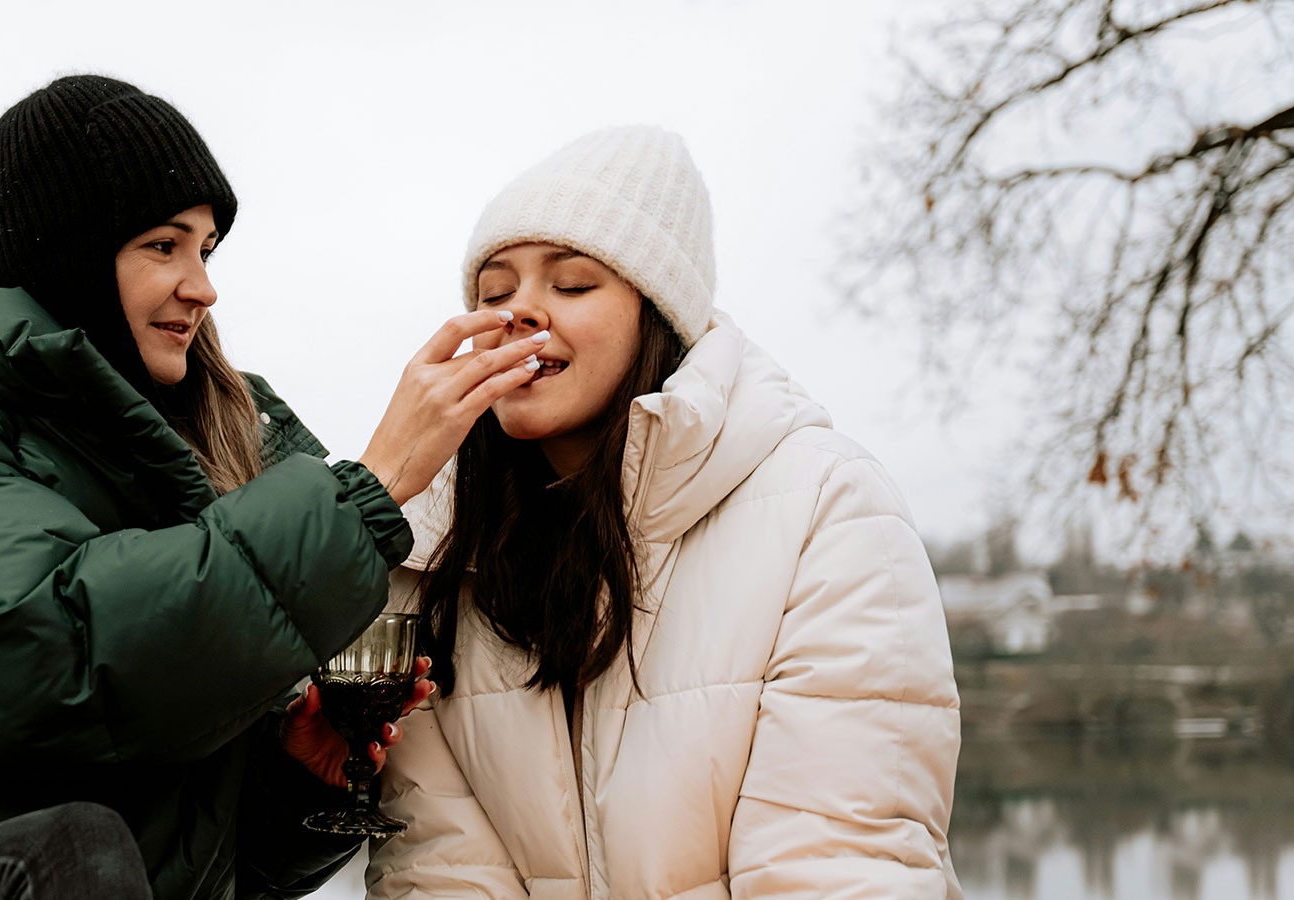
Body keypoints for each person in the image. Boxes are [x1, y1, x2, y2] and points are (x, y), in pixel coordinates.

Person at [0, 75, 545, 900]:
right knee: (75, 849)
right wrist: (374, 486)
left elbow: (200, 863)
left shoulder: (216, 449)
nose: (201, 286)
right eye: (163, 246)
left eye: (205, 247)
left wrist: (290, 774)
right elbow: (36, 660)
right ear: (71, 260)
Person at [368, 125, 963, 899]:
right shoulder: (436, 550)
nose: (521, 311)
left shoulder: (829, 507)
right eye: (494, 291)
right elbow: (441, 870)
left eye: (572, 284)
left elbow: (835, 862)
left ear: (658, 313)